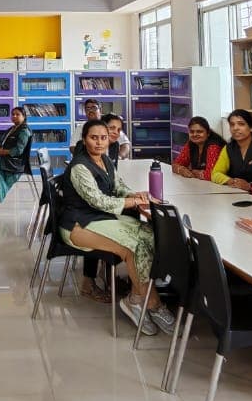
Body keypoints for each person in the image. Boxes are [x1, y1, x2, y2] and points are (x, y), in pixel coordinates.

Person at [57, 120, 175, 335]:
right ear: (84, 139)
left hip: (101, 219)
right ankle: (154, 304)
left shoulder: (105, 160)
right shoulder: (79, 166)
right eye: (94, 138)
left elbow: (118, 186)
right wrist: (136, 203)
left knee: (149, 235)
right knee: (131, 247)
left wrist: (136, 195)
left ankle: (136, 298)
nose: (99, 142)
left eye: (103, 137)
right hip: (79, 225)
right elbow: (99, 201)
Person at [210, 109, 252, 191]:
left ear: (251, 128)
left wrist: (250, 186)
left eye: (241, 124)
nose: (235, 128)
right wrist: (231, 181)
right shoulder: (228, 148)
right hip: (237, 194)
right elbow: (215, 174)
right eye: (232, 125)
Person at [0, 106, 32, 202]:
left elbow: (18, 150)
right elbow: (0, 141)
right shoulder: (12, 128)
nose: (14, 116)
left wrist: (3, 152)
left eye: (17, 114)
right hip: (4, 157)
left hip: (14, 162)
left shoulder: (24, 131)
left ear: (24, 116)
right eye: (13, 114)